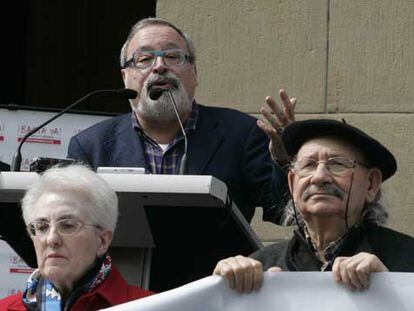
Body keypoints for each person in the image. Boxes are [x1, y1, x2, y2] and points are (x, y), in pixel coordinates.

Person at [67, 17, 296, 224]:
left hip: (216, 270)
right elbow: (72, 223)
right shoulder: (91, 146)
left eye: (172, 56)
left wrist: (287, 159)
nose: (159, 66)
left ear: (194, 72)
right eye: (145, 59)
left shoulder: (242, 133)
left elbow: (284, 213)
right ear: (125, 77)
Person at [214, 119, 414, 292]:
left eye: (337, 164)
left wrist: (393, 289)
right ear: (292, 183)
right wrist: (222, 289)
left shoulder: (406, 260)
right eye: (309, 165)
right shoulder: (261, 267)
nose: (319, 177)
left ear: (371, 184)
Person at [0, 165, 152, 310]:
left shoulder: (153, 307)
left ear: (103, 241)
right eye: (42, 227)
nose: (51, 239)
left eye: (67, 225)